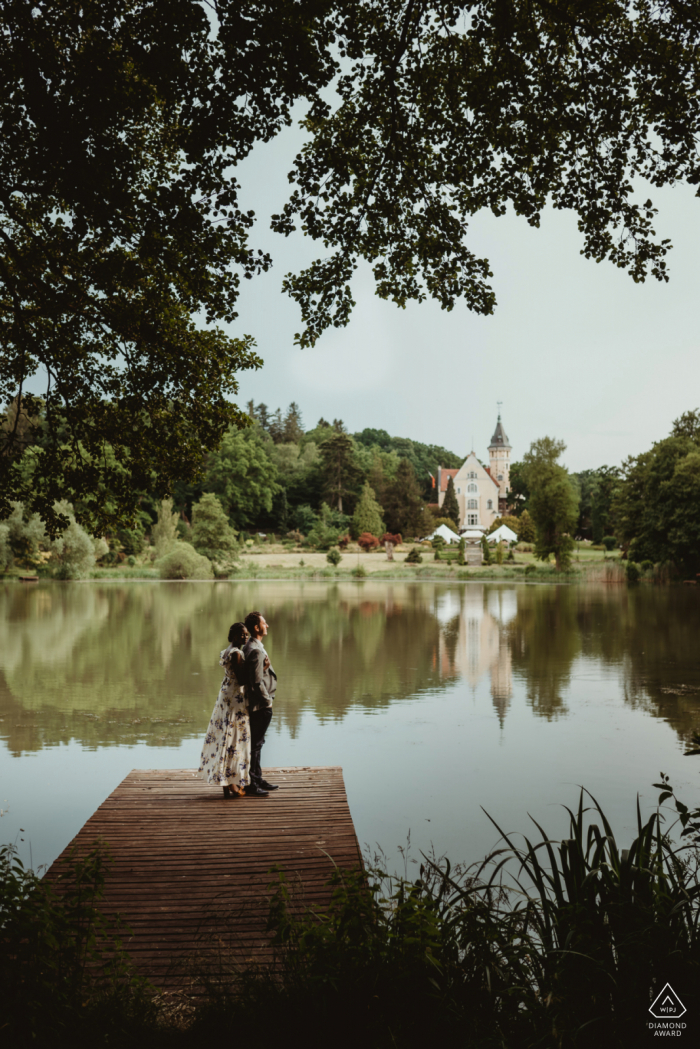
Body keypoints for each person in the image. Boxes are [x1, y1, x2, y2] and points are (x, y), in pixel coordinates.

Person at [198, 622, 251, 799]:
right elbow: (242, 679)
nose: (245, 637)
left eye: (246, 634)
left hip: (225, 693)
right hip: (234, 695)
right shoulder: (236, 653)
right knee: (234, 736)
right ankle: (231, 782)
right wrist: (262, 669)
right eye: (242, 634)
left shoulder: (225, 651)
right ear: (234, 636)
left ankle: (227, 781)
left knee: (225, 734)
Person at [242, 610, 279, 797]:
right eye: (264, 623)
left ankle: (257, 778)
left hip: (258, 704)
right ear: (257, 627)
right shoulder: (255, 649)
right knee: (256, 744)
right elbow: (256, 683)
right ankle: (252, 783)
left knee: (257, 743)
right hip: (260, 706)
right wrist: (267, 702)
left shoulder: (251, 646)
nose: (267, 625)